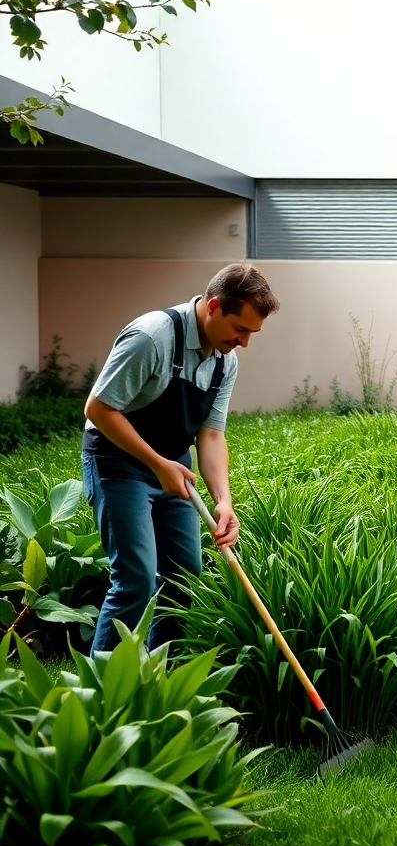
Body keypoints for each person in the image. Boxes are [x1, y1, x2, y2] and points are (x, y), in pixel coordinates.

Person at [82, 263, 279, 654]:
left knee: (184, 578)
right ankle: (98, 696)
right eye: (241, 329)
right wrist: (157, 464)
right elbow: (98, 409)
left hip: (174, 467)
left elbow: (210, 433)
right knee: (135, 579)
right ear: (214, 306)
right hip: (118, 464)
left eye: (252, 333)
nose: (244, 342)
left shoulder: (225, 360)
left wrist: (224, 500)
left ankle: (160, 685)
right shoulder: (152, 337)